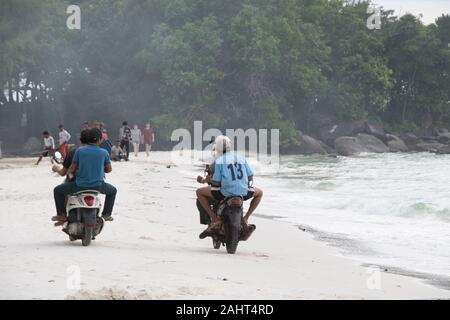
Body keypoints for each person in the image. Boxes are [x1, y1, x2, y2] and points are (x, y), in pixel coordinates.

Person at [196, 135, 263, 238]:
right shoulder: (241, 158)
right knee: (260, 193)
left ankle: (214, 218)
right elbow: (250, 177)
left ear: (217, 148)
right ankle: (246, 218)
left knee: (199, 192)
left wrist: (208, 180)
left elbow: (216, 183)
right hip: (244, 192)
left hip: (225, 192)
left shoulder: (219, 161)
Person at [52, 128, 117, 223]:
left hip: (80, 186)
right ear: (99, 140)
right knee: (113, 191)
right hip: (98, 186)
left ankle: (61, 215)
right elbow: (109, 170)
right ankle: (106, 214)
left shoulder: (79, 151)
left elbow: (72, 169)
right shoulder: (104, 152)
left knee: (57, 190)